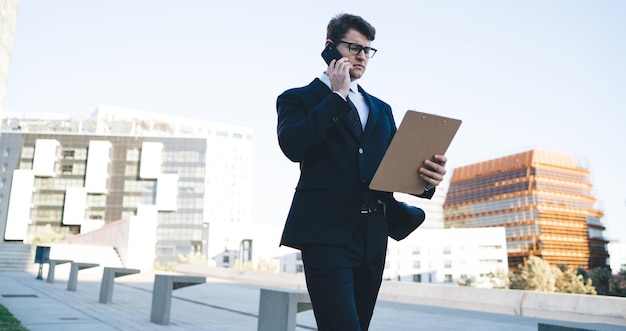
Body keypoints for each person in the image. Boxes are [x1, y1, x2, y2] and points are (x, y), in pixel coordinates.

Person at [276, 13, 448, 331]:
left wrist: (426, 180)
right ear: (330, 48)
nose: (362, 56)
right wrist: (337, 95)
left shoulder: (381, 110)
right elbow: (292, 146)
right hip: (326, 234)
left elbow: (392, 170)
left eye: (368, 50)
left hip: (373, 235)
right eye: (354, 47)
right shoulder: (297, 98)